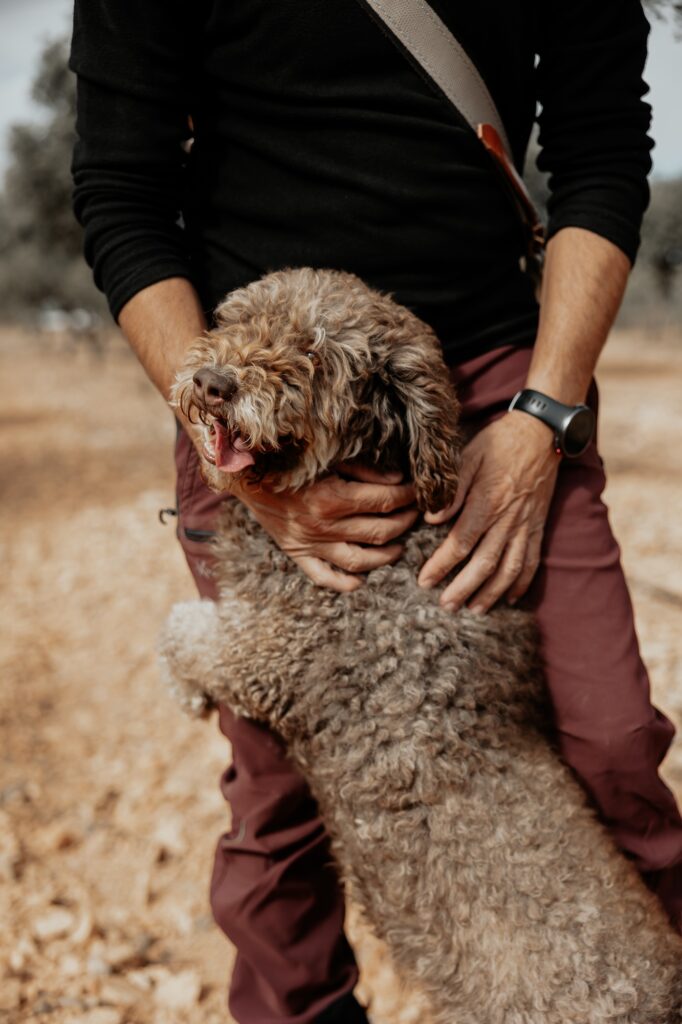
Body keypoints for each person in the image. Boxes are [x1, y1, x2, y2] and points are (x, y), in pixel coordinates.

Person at [69, 2, 682, 1021]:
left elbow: (602, 154)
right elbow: (121, 196)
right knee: (279, 795)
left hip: (504, 382)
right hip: (257, 389)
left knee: (612, 742)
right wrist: (240, 466)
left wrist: (543, 416)